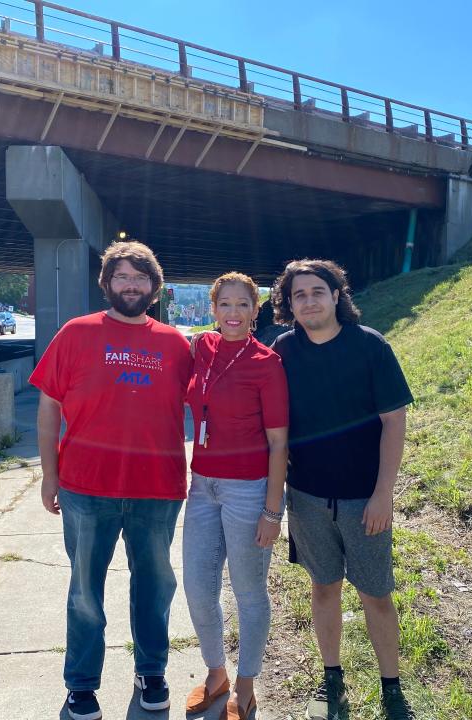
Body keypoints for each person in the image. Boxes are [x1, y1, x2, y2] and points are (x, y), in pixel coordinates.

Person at [30, 241, 192, 720]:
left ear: (154, 287)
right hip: (85, 487)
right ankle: (81, 684)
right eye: (122, 276)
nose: (131, 285)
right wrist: (48, 475)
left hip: (157, 488)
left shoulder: (176, 343)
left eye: (141, 278)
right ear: (107, 283)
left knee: (155, 587)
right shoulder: (76, 334)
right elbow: (48, 409)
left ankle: (152, 671)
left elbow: (212, 403)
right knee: (85, 592)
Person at [270, 259, 415, 720]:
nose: (308, 300)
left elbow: (394, 421)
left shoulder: (369, 346)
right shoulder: (284, 350)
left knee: (376, 594)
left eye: (317, 291)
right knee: (324, 587)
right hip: (308, 497)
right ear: (288, 304)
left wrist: (383, 494)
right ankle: (331, 678)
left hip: (362, 498)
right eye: (299, 294)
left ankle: (392, 688)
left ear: (337, 295)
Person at [182, 273, 288, 720]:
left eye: (242, 304)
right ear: (213, 309)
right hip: (202, 486)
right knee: (197, 587)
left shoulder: (267, 363)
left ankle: (245, 685)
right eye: (224, 304)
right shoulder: (199, 348)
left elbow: (279, 444)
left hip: (248, 491)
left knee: (248, 591)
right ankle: (216, 673)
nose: (232, 313)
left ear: (255, 310)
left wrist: (271, 510)